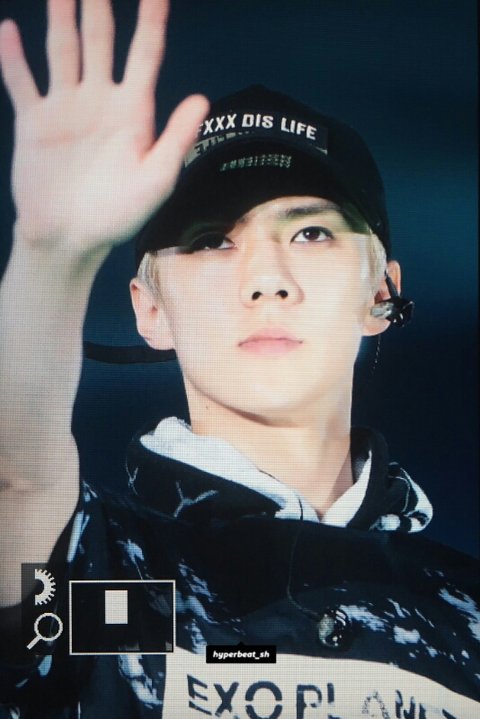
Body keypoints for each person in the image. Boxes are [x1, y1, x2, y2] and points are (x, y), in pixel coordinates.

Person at [0, 1, 478, 717]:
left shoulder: (467, 612)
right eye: (211, 240)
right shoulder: (102, 572)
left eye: (312, 233)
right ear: (150, 311)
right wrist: (52, 255)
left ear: (381, 293)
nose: (267, 279)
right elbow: (14, 481)